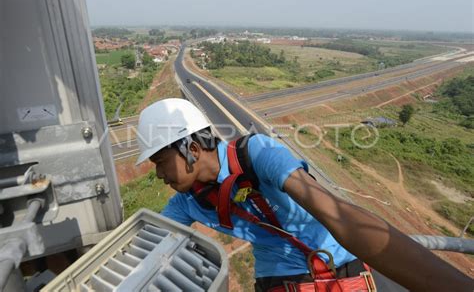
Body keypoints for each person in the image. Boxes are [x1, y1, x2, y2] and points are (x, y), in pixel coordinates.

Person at [136, 98, 472, 292]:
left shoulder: (258, 154)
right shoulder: (186, 202)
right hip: (280, 280)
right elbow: (146, 245)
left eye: (161, 162)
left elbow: (336, 214)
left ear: (192, 149)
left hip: (340, 265)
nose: (159, 174)